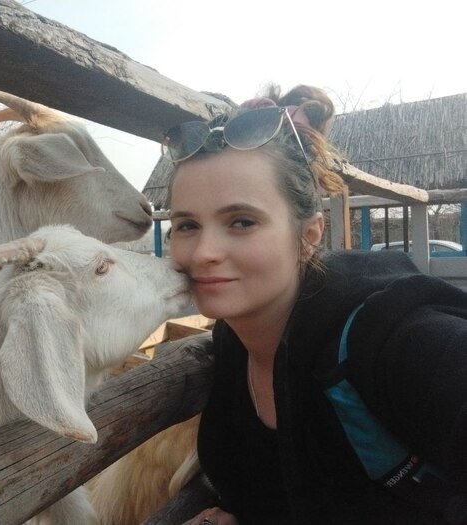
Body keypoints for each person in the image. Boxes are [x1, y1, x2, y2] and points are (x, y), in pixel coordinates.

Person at [162, 84, 467, 525]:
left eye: (242, 222)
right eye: (187, 225)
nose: (204, 252)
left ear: (309, 236)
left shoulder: (392, 339)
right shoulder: (232, 342)